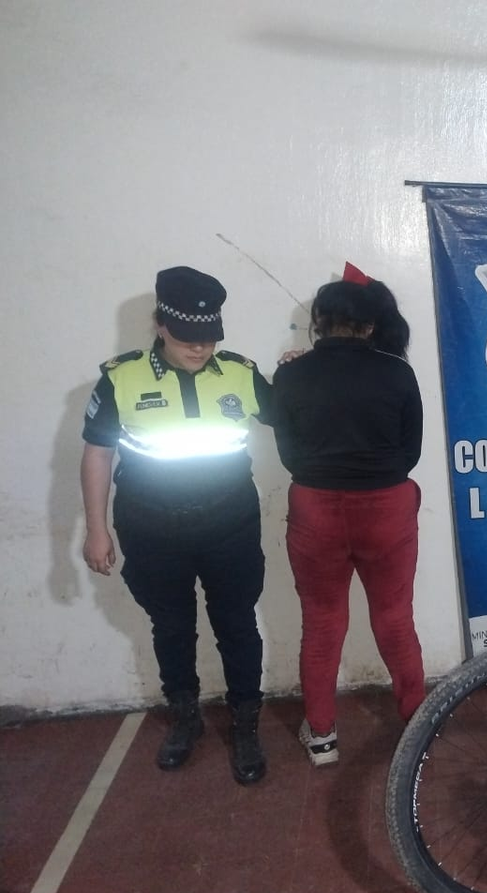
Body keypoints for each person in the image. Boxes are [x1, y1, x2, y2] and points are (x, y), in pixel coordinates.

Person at [81, 266, 272, 784]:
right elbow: (97, 454)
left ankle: (246, 724)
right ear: (160, 325)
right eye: (188, 336)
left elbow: (293, 414)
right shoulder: (121, 378)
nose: (201, 347)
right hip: (152, 530)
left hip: (230, 527)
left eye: (210, 336)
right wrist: (96, 529)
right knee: (171, 627)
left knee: (237, 625)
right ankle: (186, 717)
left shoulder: (239, 373)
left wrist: (300, 367)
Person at [272, 264, 425, 766]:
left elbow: (288, 454)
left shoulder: (290, 374)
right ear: (370, 324)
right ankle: (418, 724)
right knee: (395, 618)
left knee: (321, 622)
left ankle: (321, 736)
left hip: (315, 508)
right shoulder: (397, 372)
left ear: (318, 321)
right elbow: (409, 452)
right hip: (386, 509)